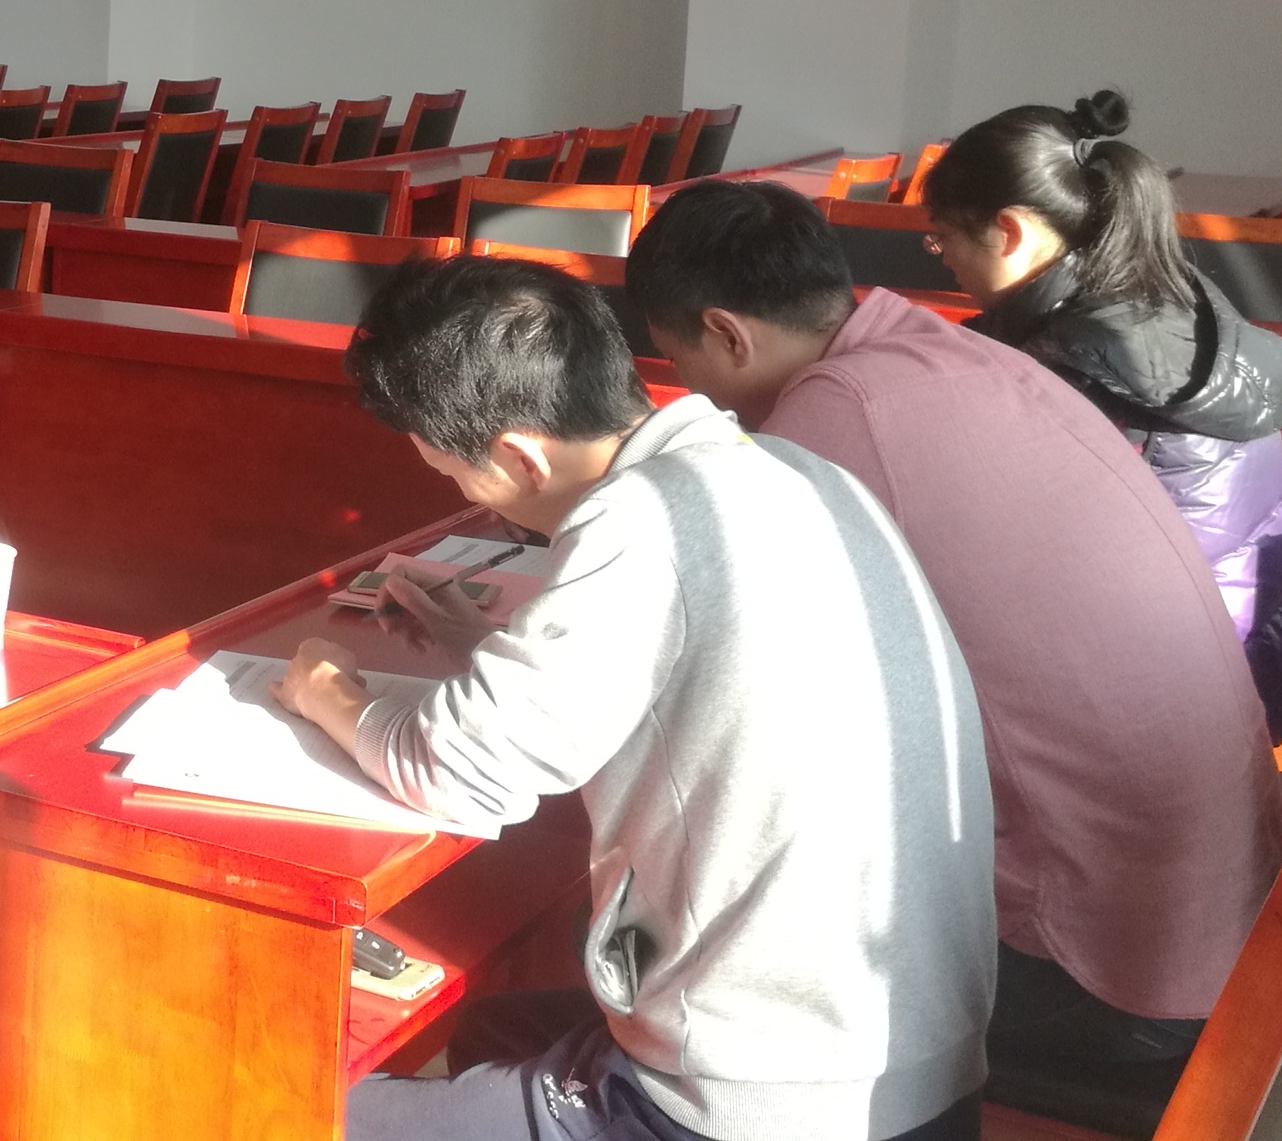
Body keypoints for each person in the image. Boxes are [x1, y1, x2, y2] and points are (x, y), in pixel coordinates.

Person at [280, 256, 991, 1141]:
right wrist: (483, 646)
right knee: (493, 1030)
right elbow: (685, 674)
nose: (463, 495)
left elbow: (457, 773)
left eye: (454, 473)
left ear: (518, 456)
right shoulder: (787, 467)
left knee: (294, 1111)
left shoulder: (639, 519)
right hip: (913, 1053)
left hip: (766, 1099)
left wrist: (328, 692)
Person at [631, 179, 1279, 1083]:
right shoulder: (944, 348)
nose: (693, 392)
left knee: (670, 967)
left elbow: (729, 686)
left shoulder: (830, 421)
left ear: (728, 333)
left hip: (1107, 973)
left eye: (680, 361)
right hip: (1234, 915)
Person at [925, 90, 1282, 741]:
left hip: (1165, 712)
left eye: (942, 239)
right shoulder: (1174, 308)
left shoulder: (1073, 369)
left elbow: (1014, 571)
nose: (943, 259)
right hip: (1251, 665)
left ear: (1010, 233)